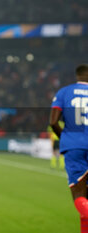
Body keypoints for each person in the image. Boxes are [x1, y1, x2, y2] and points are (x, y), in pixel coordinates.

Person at [50, 64, 88, 233]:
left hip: (75, 147)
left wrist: (66, 138)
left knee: (80, 196)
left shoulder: (64, 92)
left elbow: (53, 122)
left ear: (77, 76)